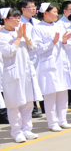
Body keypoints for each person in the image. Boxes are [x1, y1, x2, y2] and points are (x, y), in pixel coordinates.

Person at [1, 8, 42, 142]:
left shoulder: (23, 32)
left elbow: (33, 48)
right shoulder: (2, 35)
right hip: (12, 74)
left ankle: (27, 129)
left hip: (26, 72)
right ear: (5, 19)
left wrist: (24, 36)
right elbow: (9, 52)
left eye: (19, 17)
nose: (18, 20)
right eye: (15, 17)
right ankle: (16, 131)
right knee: (14, 104)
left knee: (28, 103)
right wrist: (18, 37)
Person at [33, 3, 71, 132]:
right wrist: (53, 42)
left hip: (61, 64)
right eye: (54, 12)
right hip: (48, 65)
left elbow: (65, 47)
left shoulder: (59, 27)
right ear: (45, 13)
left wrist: (65, 41)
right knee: (50, 95)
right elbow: (38, 49)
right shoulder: (37, 28)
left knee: (62, 93)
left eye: (57, 12)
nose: (57, 14)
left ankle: (63, 120)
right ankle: (52, 122)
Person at [18, 0, 42, 119]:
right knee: (28, 83)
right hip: (27, 56)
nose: (34, 8)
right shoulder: (19, 23)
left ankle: (39, 106)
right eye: (31, 7)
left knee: (38, 81)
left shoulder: (37, 22)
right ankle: (31, 109)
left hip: (39, 56)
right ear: (23, 9)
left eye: (34, 6)